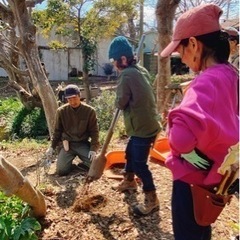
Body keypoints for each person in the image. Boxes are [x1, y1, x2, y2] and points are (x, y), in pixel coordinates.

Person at [160, 4, 239, 240]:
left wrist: (183, 143)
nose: (182, 59)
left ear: (193, 44)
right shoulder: (230, 74)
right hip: (215, 175)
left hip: (191, 179)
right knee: (202, 227)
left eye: (181, 51)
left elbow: (182, 138)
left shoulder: (203, 82)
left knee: (188, 233)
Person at [108, 36, 161, 216]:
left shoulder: (126, 75)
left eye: (115, 61)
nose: (114, 65)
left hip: (142, 128)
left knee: (140, 164)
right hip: (148, 122)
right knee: (129, 153)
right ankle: (129, 181)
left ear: (123, 59)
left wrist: (117, 102)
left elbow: (121, 102)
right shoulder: (141, 70)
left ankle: (152, 199)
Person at [46, 84, 100, 176]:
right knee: (61, 171)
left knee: (96, 166)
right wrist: (52, 147)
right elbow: (57, 131)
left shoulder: (89, 111)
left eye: (74, 98)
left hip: (82, 143)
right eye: (69, 99)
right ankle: (69, 165)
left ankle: (81, 165)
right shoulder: (61, 111)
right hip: (68, 145)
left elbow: (94, 132)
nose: (72, 101)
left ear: (79, 96)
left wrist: (93, 149)